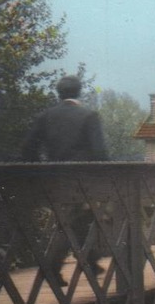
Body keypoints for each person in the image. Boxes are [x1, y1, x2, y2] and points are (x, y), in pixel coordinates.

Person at [20, 75, 109, 288]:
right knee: (73, 220)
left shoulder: (45, 116)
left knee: (72, 218)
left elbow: (27, 149)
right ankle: (57, 267)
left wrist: (42, 170)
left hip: (54, 179)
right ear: (79, 92)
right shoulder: (88, 116)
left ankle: (90, 260)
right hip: (81, 180)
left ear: (59, 93)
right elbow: (100, 153)